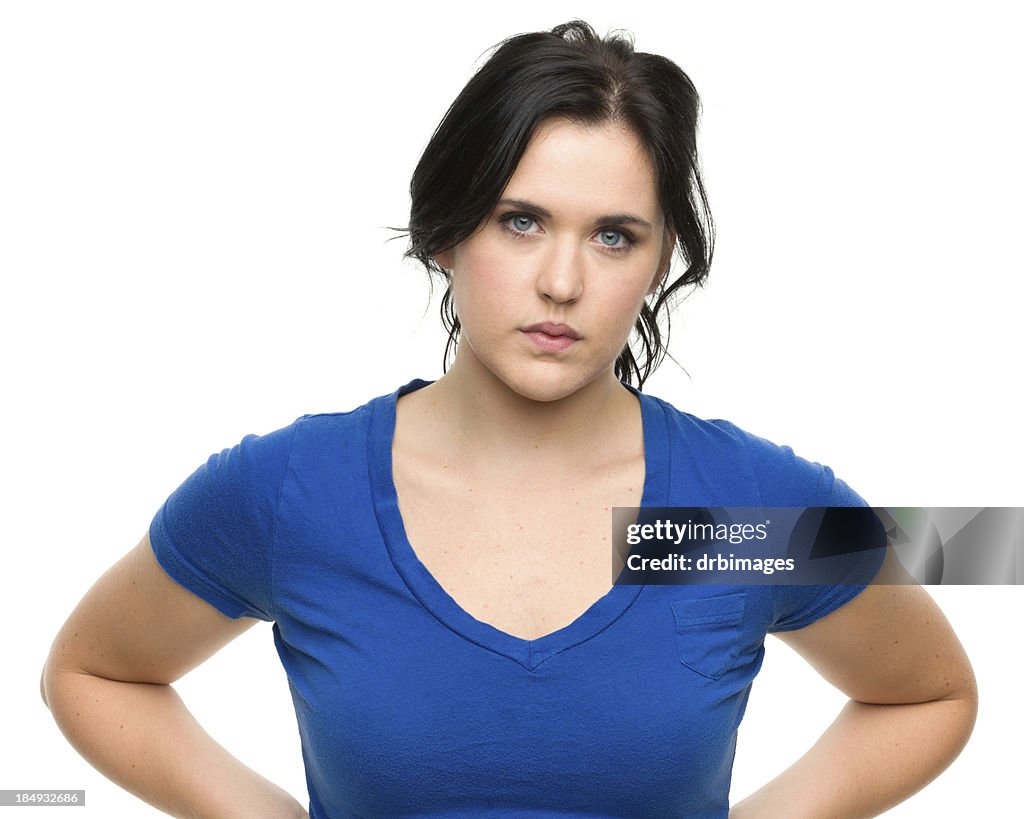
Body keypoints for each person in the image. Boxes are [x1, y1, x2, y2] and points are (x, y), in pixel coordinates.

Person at [40, 20, 977, 818]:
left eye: (615, 236)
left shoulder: (732, 516)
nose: (563, 283)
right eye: (520, 220)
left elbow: (926, 694)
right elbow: (93, 673)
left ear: (658, 264)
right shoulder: (297, 492)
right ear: (445, 230)